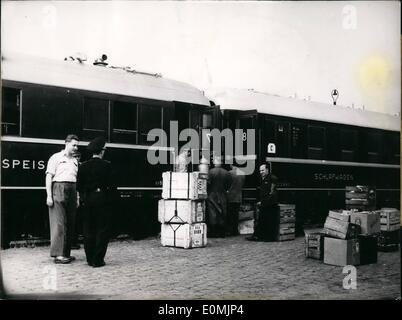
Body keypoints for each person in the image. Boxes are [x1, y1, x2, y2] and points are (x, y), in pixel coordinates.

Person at [77, 137, 115, 268]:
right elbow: (113, 186)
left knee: (88, 229)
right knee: (102, 229)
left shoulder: (83, 166)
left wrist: (84, 197)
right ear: (102, 151)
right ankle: (98, 260)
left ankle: (89, 259)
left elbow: (79, 186)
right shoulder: (107, 166)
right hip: (102, 198)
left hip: (88, 200)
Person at [46, 134, 80, 264]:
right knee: (58, 222)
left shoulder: (75, 161)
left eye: (77, 145)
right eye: (74, 145)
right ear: (66, 143)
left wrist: (76, 196)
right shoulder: (56, 157)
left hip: (72, 189)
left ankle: (66, 253)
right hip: (58, 188)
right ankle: (58, 254)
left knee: (70, 222)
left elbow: (76, 179)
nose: (76, 148)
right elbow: (49, 176)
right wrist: (49, 195)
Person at [247, 163, 279, 242]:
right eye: (260, 170)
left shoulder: (272, 178)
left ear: (267, 170)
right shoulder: (264, 179)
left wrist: (264, 202)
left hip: (270, 204)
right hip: (265, 204)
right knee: (262, 221)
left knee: (269, 221)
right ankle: (259, 236)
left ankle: (268, 238)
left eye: (263, 170)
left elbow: (272, 193)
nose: (261, 172)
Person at [206, 156, 232, 237]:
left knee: (212, 214)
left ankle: (213, 233)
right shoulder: (227, 173)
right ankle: (222, 233)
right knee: (222, 213)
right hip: (223, 195)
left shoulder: (210, 172)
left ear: (215, 162)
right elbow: (229, 184)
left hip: (212, 195)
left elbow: (207, 183)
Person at [226, 164, 246, 236]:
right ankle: (235, 231)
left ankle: (230, 231)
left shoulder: (229, 173)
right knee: (236, 215)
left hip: (230, 196)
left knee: (230, 215)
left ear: (231, 165)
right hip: (238, 196)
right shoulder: (242, 173)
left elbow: (227, 185)